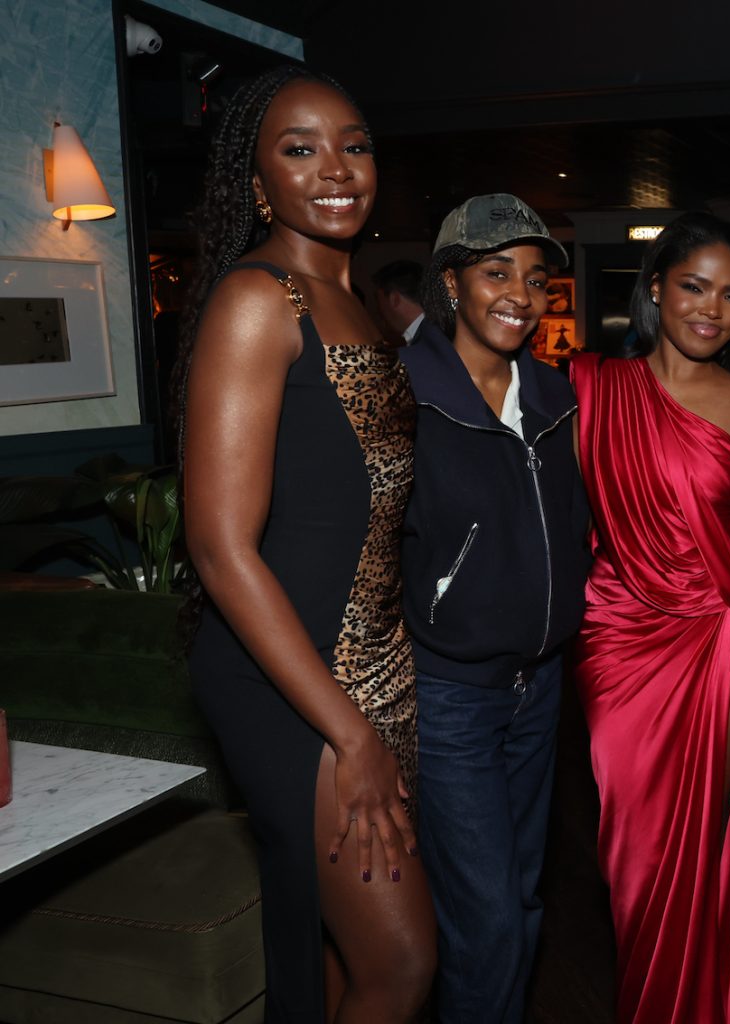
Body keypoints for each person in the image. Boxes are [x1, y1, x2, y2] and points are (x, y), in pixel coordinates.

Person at [178, 65, 435, 1020]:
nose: (336, 168)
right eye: (299, 149)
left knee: (339, 957)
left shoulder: (354, 299)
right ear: (256, 182)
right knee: (400, 966)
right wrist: (349, 726)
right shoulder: (261, 301)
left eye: (355, 144)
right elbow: (218, 546)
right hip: (297, 674)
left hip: (369, 657)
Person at [568, 212, 730, 1023]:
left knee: (699, 853)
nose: (713, 309)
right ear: (655, 288)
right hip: (614, 640)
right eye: (695, 286)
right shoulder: (588, 385)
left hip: (719, 638)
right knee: (632, 865)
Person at [399, 194, 589, 1020]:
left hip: (539, 688)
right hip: (448, 697)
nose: (519, 292)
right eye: (496, 271)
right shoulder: (405, 395)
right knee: (485, 923)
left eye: (535, 278)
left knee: (519, 900)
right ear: (451, 283)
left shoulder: (556, 395)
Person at [371, 259, 426, 345]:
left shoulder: (425, 342)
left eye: (378, 300)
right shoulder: (432, 332)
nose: (378, 310)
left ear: (394, 299)